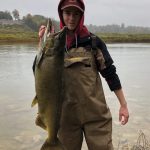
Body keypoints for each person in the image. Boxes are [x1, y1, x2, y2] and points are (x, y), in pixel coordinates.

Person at [38, 0, 129, 149]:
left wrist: (123, 105)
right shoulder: (54, 44)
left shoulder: (93, 42)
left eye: (76, 13)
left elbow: (110, 74)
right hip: (66, 119)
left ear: (82, 15)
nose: (71, 18)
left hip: (96, 117)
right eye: (67, 13)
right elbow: (41, 74)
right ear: (61, 14)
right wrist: (41, 42)